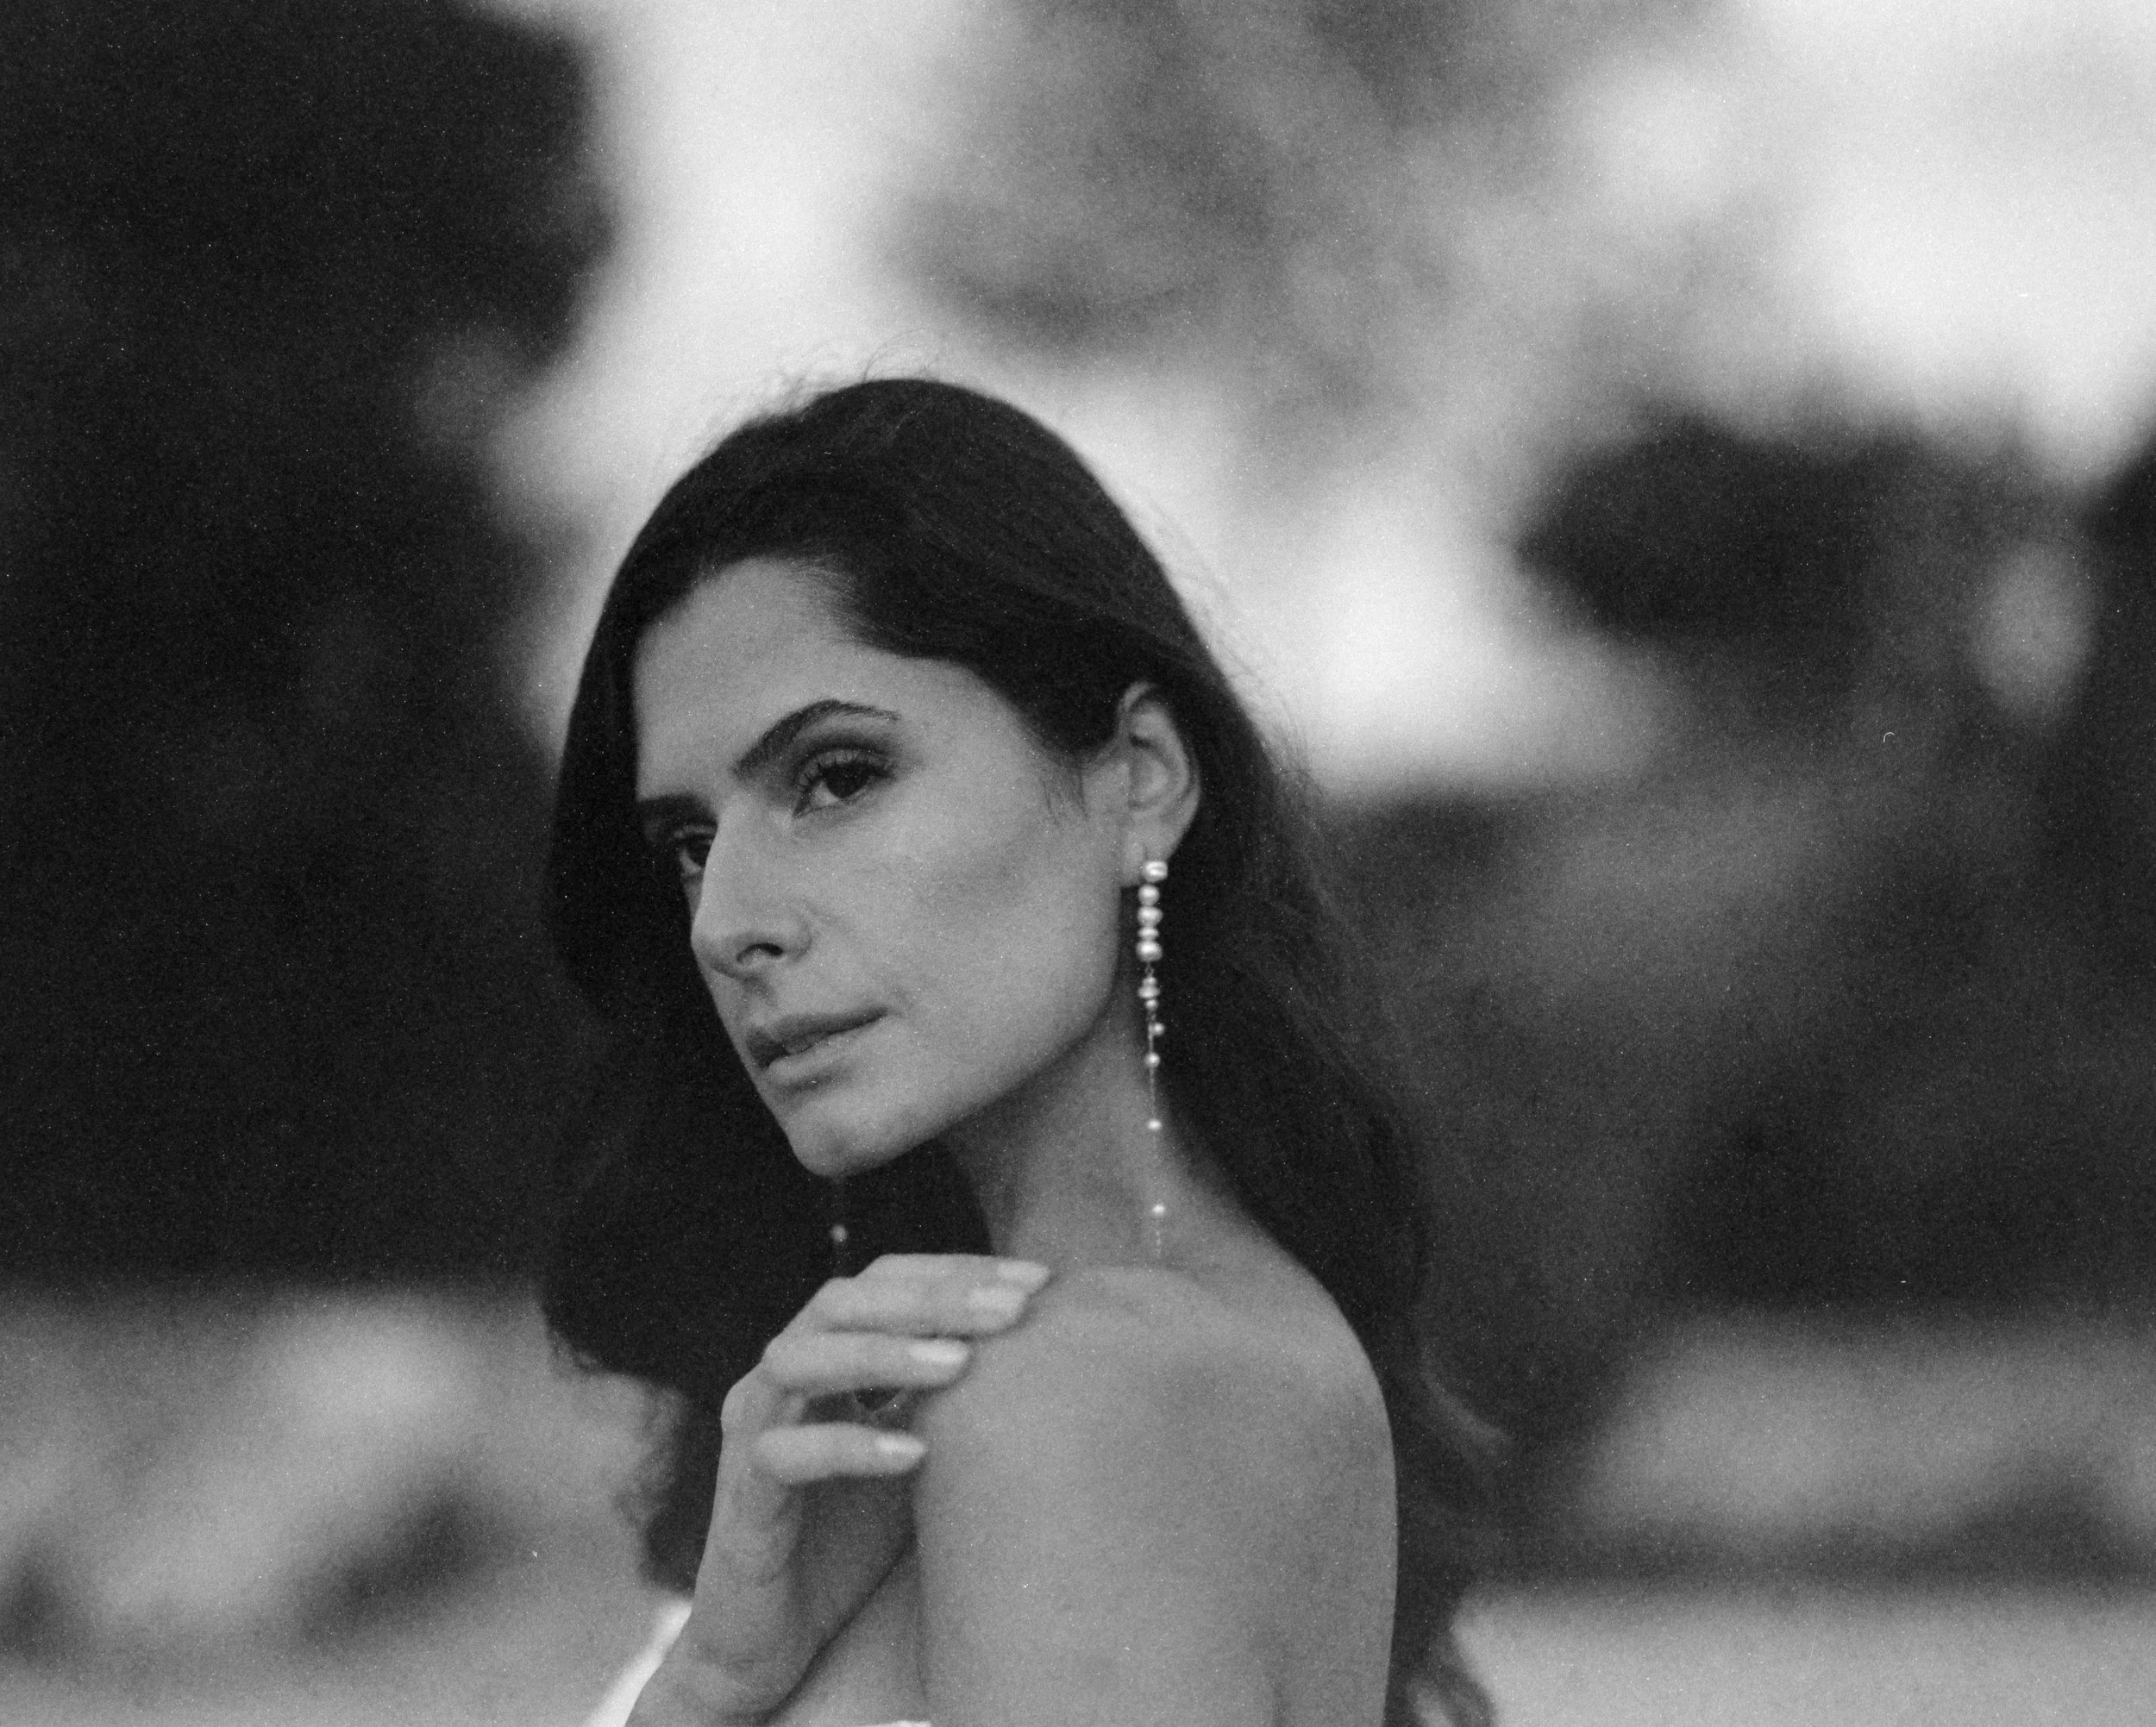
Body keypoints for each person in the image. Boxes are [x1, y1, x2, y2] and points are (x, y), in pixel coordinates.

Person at [544, 378, 1493, 1726]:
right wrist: (707, 1683)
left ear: (1141, 775)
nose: (727, 920)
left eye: (836, 775)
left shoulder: (1077, 1387)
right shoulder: (1156, 1348)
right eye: (691, 843)